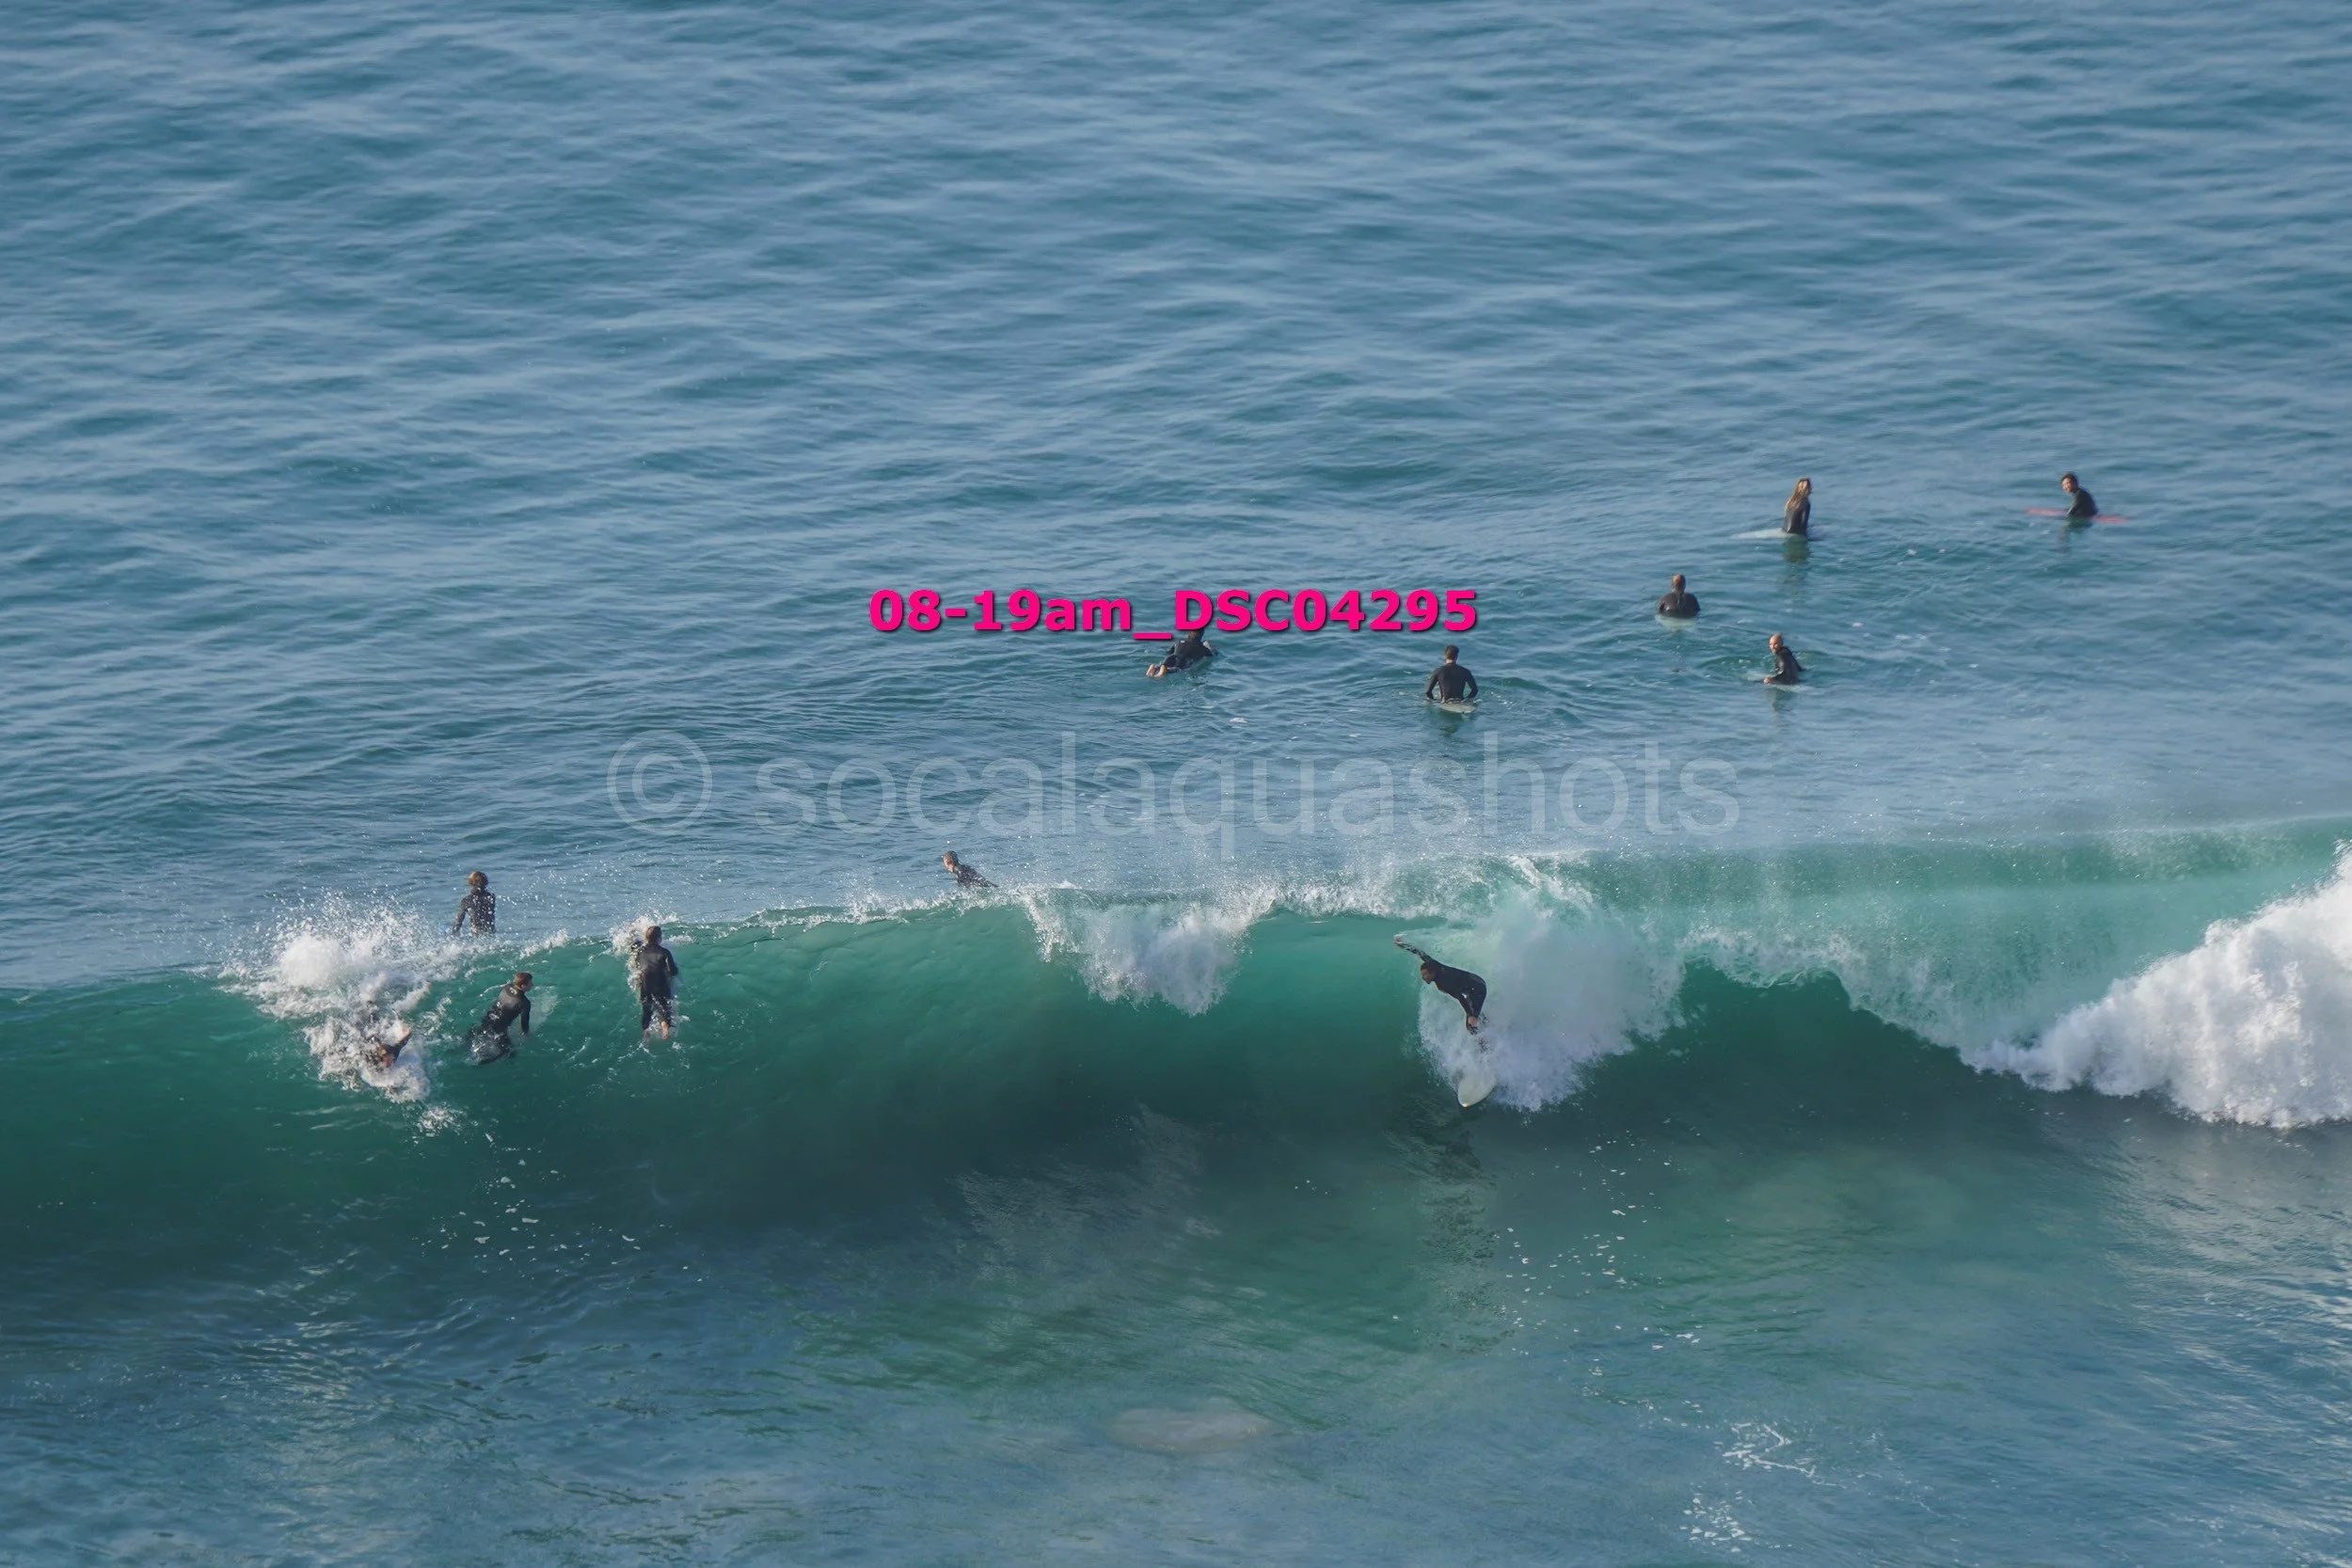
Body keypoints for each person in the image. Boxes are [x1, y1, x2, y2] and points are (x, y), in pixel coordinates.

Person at [1395, 938, 1486, 1033]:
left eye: (1425, 974)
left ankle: (1484, 1046)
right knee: (1474, 1013)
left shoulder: (1445, 982)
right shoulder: (1433, 964)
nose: (1423, 977)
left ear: (1432, 973)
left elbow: (1460, 997)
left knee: (1471, 1025)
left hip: (1478, 988)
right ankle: (1486, 1025)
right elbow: (1419, 952)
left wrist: (1470, 1014)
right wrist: (1403, 945)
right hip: (1474, 984)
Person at [630, 926, 680, 1039]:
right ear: (659, 939)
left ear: (646, 938)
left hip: (645, 985)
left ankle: (646, 1034)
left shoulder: (639, 951)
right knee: (665, 1009)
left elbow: (636, 961)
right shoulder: (665, 952)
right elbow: (673, 972)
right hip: (661, 985)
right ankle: (665, 1027)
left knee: (647, 1011)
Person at [469, 972, 532, 1062]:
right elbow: (524, 1023)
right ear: (523, 986)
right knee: (510, 1052)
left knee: (477, 1034)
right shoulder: (524, 1003)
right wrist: (527, 1035)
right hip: (498, 1030)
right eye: (530, 983)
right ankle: (480, 1063)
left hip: (487, 1020)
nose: (532, 985)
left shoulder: (507, 987)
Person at [1149, 626, 1216, 678]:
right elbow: (1213, 655)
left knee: (1164, 666)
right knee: (1177, 669)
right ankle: (1165, 670)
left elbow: (1168, 652)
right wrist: (1209, 646)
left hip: (1171, 657)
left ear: (1189, 633)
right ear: (1201, 635)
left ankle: (1155, 668)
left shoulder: (1179, 641)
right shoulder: (1202, 648)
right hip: (1183, 661)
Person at [452, 871, 495, 935]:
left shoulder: (466, 900)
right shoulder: (491, 897)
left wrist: (453, 934)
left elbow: (459, 921)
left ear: (471, 883)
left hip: (476, 933)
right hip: (490, 931)